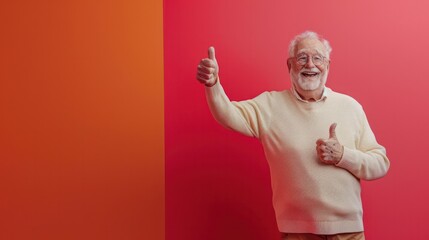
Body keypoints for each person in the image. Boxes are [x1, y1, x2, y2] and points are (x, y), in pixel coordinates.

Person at [196, 31, 390, 240]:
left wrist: (343, 155)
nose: (310, 64)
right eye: (302, 57)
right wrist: (213, 84)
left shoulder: (350, 107)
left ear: (328, 65)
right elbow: (227, 114)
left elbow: (380, 163)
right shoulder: (270, 105)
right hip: (297, 234)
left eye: (318, 58)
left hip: (349, 233)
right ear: (290, 65)